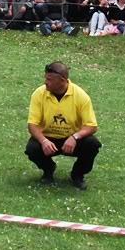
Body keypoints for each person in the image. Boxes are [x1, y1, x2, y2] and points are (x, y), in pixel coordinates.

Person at [25, 61, 101, 190]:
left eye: (49, 79)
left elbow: (92, 126)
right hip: (48, 138)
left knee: (92, 145)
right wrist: (43, 141)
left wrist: (74, 137)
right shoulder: (39, 94)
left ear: (62, 81)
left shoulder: (81, 96)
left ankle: (77, 174)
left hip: (72, 139)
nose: (45, 82)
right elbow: (32, 124)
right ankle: (48, 169)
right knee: (32, 148)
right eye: (45, 78)